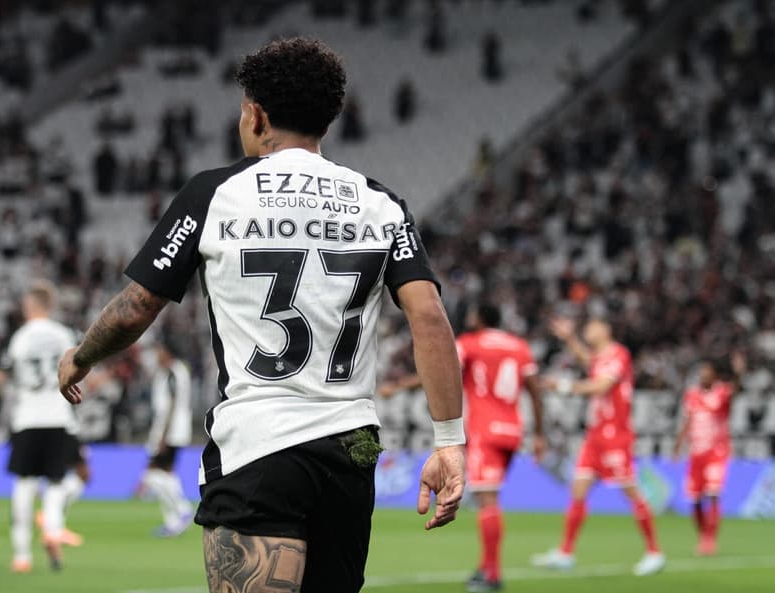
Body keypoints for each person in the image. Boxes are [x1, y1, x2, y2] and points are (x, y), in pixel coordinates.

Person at [58, 37, 466, 593]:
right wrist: (448, 441)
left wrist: (80, 358)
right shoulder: (380, 203)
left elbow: (136, 308)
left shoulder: (216, 193)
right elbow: (430, 318)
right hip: (353, 446)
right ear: (328, 120)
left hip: (257, 442)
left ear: (255, 114)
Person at [532, 317, 665, 576]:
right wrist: (569, 338)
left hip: (616, 435)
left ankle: (654, 552)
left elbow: (602, 385)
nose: (588, 330)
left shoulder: (619, 354)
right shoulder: (600, 357)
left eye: (592, 327)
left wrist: (563, 385)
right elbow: (587, 360)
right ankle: (566, 553)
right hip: (595, 437)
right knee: (578, 491)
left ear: (606, 329)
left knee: (631, 492)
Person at [0, 281, 81, 573]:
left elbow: (0, 379)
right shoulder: (64, 334)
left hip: (27, 418)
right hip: (58, 416)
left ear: (29, 307)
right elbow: (80, 366)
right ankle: (53, 529)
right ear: (50, 306)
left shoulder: (19, 338)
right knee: (55, 481)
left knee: (24, 484)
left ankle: (21, 555)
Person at [457, 304, 545, 592]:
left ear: (480, 318)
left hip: (484, 430)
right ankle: (485, 567)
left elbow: (442, 369)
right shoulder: (519, 346)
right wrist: (540, 434)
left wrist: (400, 386)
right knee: (490, 498)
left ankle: (493, 575)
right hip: (513, 431)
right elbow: (535, 389)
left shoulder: (470, 342)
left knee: (487, 501)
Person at [672, 354, 744, 556]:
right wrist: (678, 445)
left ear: (714, 375)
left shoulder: (721, 392)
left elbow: (735, 392)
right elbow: (687, 422)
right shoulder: (691, 395)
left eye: (706, 371)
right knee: (695, 500)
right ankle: (703, 535)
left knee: (713, 494)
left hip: (716, 452)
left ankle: (710, 539)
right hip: (696, 454)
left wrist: (739, 374)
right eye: (701, 371)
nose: (703, 374)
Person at [140, 339, 194, 537]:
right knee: (167, 473)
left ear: (168, 352)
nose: (157, 355)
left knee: (152, 475)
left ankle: (182, 509)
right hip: (176, 430)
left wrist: (163, 434)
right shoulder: (178, 371)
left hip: (170, 431)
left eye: (159, 350)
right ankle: (173, 521)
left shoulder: (172, 372)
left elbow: (171, 404)